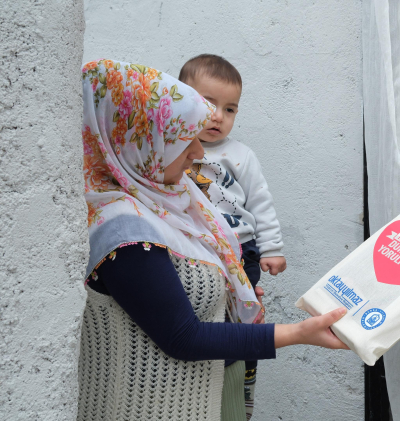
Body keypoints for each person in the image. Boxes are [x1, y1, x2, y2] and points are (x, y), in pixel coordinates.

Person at [77, 59, 347, 421]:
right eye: (181, 138)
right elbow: (183, 337)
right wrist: (298, 333)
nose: (198, 153)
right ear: (139, 140)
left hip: (207, 392)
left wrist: (228, 293)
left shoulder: (172, 199)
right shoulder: (123, 228)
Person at [179, 54, 285, 420]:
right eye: (208, 104)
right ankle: (207, 373)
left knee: (244, 314)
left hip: (240, 249)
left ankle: (241, 373)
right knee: (202, 314)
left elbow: (260, 203)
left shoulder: (240, 155)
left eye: (230, 109)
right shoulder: (172, 149)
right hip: (196, 250)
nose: (218, 116)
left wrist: (272, 248)